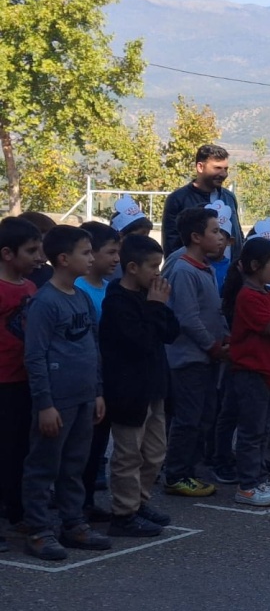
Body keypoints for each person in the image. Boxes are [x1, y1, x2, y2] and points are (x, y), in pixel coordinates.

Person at [22, 225, 110, 560]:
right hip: (57, 402)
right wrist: (45, 404)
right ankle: (39, 530)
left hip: (85, 397)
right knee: (44, 466)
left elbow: (92, 346)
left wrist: (98, 391)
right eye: (85, 253)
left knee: (74, 464)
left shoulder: (83, 297)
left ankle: (73, 523)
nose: (90, 258)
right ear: (62, 259)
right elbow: (35, 355)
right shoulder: (45, 302)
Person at [100, 235, 180, 537]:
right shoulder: (117, 301)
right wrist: (154, 308)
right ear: (132, 267)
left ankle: (139, 502)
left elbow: (172, 332)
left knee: (155, 452)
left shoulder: (151, 297)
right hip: (129, 391)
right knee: (129, 454)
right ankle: (123, 513)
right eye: (152, 267)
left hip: (154, 388)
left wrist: (160, 306)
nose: (157, 274)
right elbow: (140, 343)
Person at [220, 237, 270, 507]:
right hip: (252, 373)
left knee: (263, 430)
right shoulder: (248, 296)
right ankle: (247, 485)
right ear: (255, 265)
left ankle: (259, 479)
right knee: (251, 431)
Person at [162, 207, 228, 498]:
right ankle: (176, 474)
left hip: (207, 357)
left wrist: (225, 335)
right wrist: (212, 346)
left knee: (204, 415)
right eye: (214, 231)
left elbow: (213, 310)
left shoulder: (206, 268)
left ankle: (190, 467)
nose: (220, 237)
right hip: (189, 358)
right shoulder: (183, 270)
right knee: (187, 418)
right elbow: (187, 318)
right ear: (196, 237)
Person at [0, 217, 45, 553]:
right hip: (1, 380)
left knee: (19, 451)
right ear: (6, 254)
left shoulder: (30, 288)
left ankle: (17, 511)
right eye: (30, 251)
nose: (37, 257)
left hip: (23, 380)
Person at [76, 222, 121, 521]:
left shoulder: (108, 289)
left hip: (107, 377)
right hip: (85, 379)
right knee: (79, 449)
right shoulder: (78, 290)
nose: (116, 259)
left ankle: (88, 501)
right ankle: (74, 508)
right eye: (111, 252)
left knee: (97, 447)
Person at [161, 144, 243, 259]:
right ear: (200, 167)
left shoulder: (229, 197)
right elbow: (171, 246)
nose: (224, 174)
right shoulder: (178, 200)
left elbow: (238, 237)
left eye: (226, 169)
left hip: (229, 274)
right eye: (217, 168)